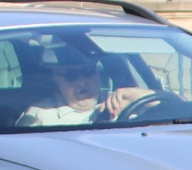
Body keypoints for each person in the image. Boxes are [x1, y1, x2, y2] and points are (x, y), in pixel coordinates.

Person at [17, 47, 150, 127]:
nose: (82, 82)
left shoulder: (121, 101)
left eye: (88, 72)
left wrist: (136, 94)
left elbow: (169, 106)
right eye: (71, 76)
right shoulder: (41, 115)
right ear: (56, 81)